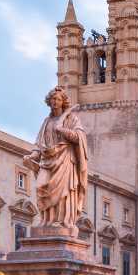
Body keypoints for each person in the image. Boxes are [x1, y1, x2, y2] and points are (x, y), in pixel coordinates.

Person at [24, 86, 89, 230]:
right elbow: (39, 143)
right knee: (41, 186)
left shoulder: (72, 119)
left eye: (58, 99)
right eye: (53, 99)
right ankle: (46, 220)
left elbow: (79, 137)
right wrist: (32, 155)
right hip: (47, 159)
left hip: (65, 158)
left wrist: (61, 129)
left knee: (62, 193)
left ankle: (61, 222)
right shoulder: (47, 121)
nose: (55, 101)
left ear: (63, 102)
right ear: (49, 101)